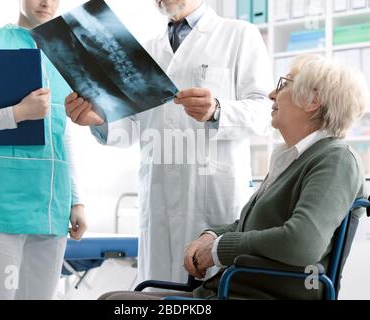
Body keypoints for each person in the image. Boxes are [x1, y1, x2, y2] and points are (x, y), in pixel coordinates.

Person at [99, 54, 369, 300]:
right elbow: (250, 226)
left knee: (117, 303)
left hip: (254, 296)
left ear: (313, 101)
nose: (272, 94)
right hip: (228, 291)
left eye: (284, 84)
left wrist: (220, 248)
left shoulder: (336, 159)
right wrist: (210, 236)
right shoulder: (291, 158)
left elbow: (301, 243)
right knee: (115, 299)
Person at [65, 0, 273, 285]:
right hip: (158, 198)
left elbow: (264, 112)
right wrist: (99, 119)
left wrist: (218, 110)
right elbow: (131, 128)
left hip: (212, 197)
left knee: (210, 292)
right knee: (158, 294)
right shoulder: (147, 50)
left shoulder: (238, 35)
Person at [0, 0, 87, 300]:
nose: (46, 2)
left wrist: (75, 200)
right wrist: (17, 113)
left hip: (53, 209)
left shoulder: (65, 53)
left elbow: (61, 133)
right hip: (3, 208)